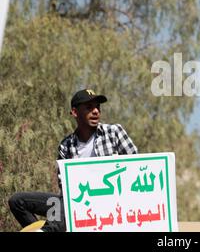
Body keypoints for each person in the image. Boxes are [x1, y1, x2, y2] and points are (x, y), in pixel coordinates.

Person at [8, 89, 138, 232]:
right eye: (89, 107)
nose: (96, 111)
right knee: (17, 201)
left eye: (98, 107)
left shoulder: (113, 132)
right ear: (75, 113)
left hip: (110, 200)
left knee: (66, 205)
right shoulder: (66, 145)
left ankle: (48, 230)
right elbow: (64, 186)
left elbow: (138, 167)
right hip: (77, 200)